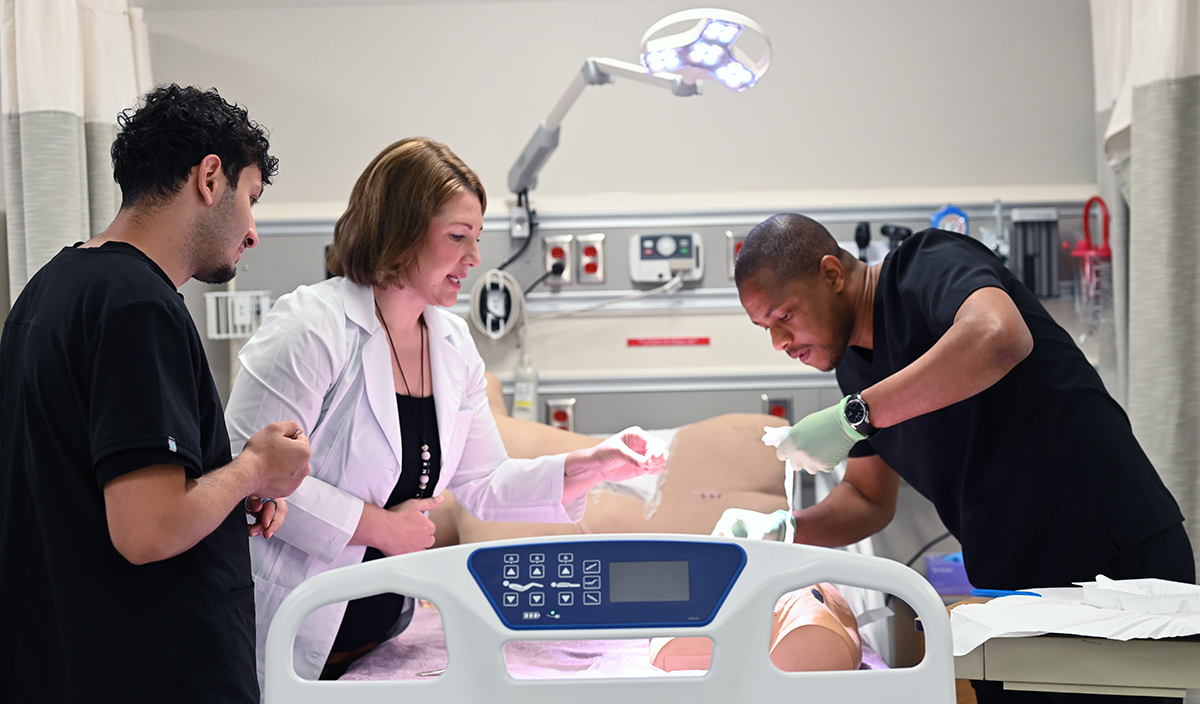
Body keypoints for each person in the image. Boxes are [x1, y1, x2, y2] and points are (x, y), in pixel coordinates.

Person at [223, 137, 668, 689]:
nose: (475, 258)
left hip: (376, 636)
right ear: (399, 230)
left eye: (477, 238)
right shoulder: (311, 327)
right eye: (458, 237)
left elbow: (483, 480)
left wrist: (591, 465)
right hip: (281, 629)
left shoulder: (452, 343)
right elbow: (248, 477)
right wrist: (380, 527)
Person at [728, 212, 1193, 704]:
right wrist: (786, 529)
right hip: (1014, 581)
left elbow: (999, 337)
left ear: (832, 274)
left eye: (785, 316)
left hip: (1107, 556)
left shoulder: (926, 264)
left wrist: (857, 417)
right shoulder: (854, 372)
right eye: (765, 328)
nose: (781, 342)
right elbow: (868, 498)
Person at [0, 84, 312, 704]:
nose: (252, 232)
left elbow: (88, 495)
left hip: (62, 662)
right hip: (151, 670)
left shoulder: (47, 291)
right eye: (250, 199)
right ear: (209, 177)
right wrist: (254, 468)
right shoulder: (138, 306)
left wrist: (225, 490)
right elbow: (149, 528)